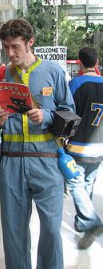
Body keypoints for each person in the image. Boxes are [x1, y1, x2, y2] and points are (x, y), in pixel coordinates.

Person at [0, 18, 75, 269]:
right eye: (6, 47)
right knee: (13, 232)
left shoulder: (53, 72)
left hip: (47, 161)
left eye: (15, 46)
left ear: (30, 43)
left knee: (51, 229)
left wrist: (47, 116)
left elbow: (69, 112)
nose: (10, 53)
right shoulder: (2, 75)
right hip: (12, 161)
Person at [66, 47, 103, 249]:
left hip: (79, 146)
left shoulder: (76, 84)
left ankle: (91, 222)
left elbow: (67, 114)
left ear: (80, 62)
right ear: (96, 61)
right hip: (100, 147)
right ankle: (81, 223)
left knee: (76, 184)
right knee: (88, 183)